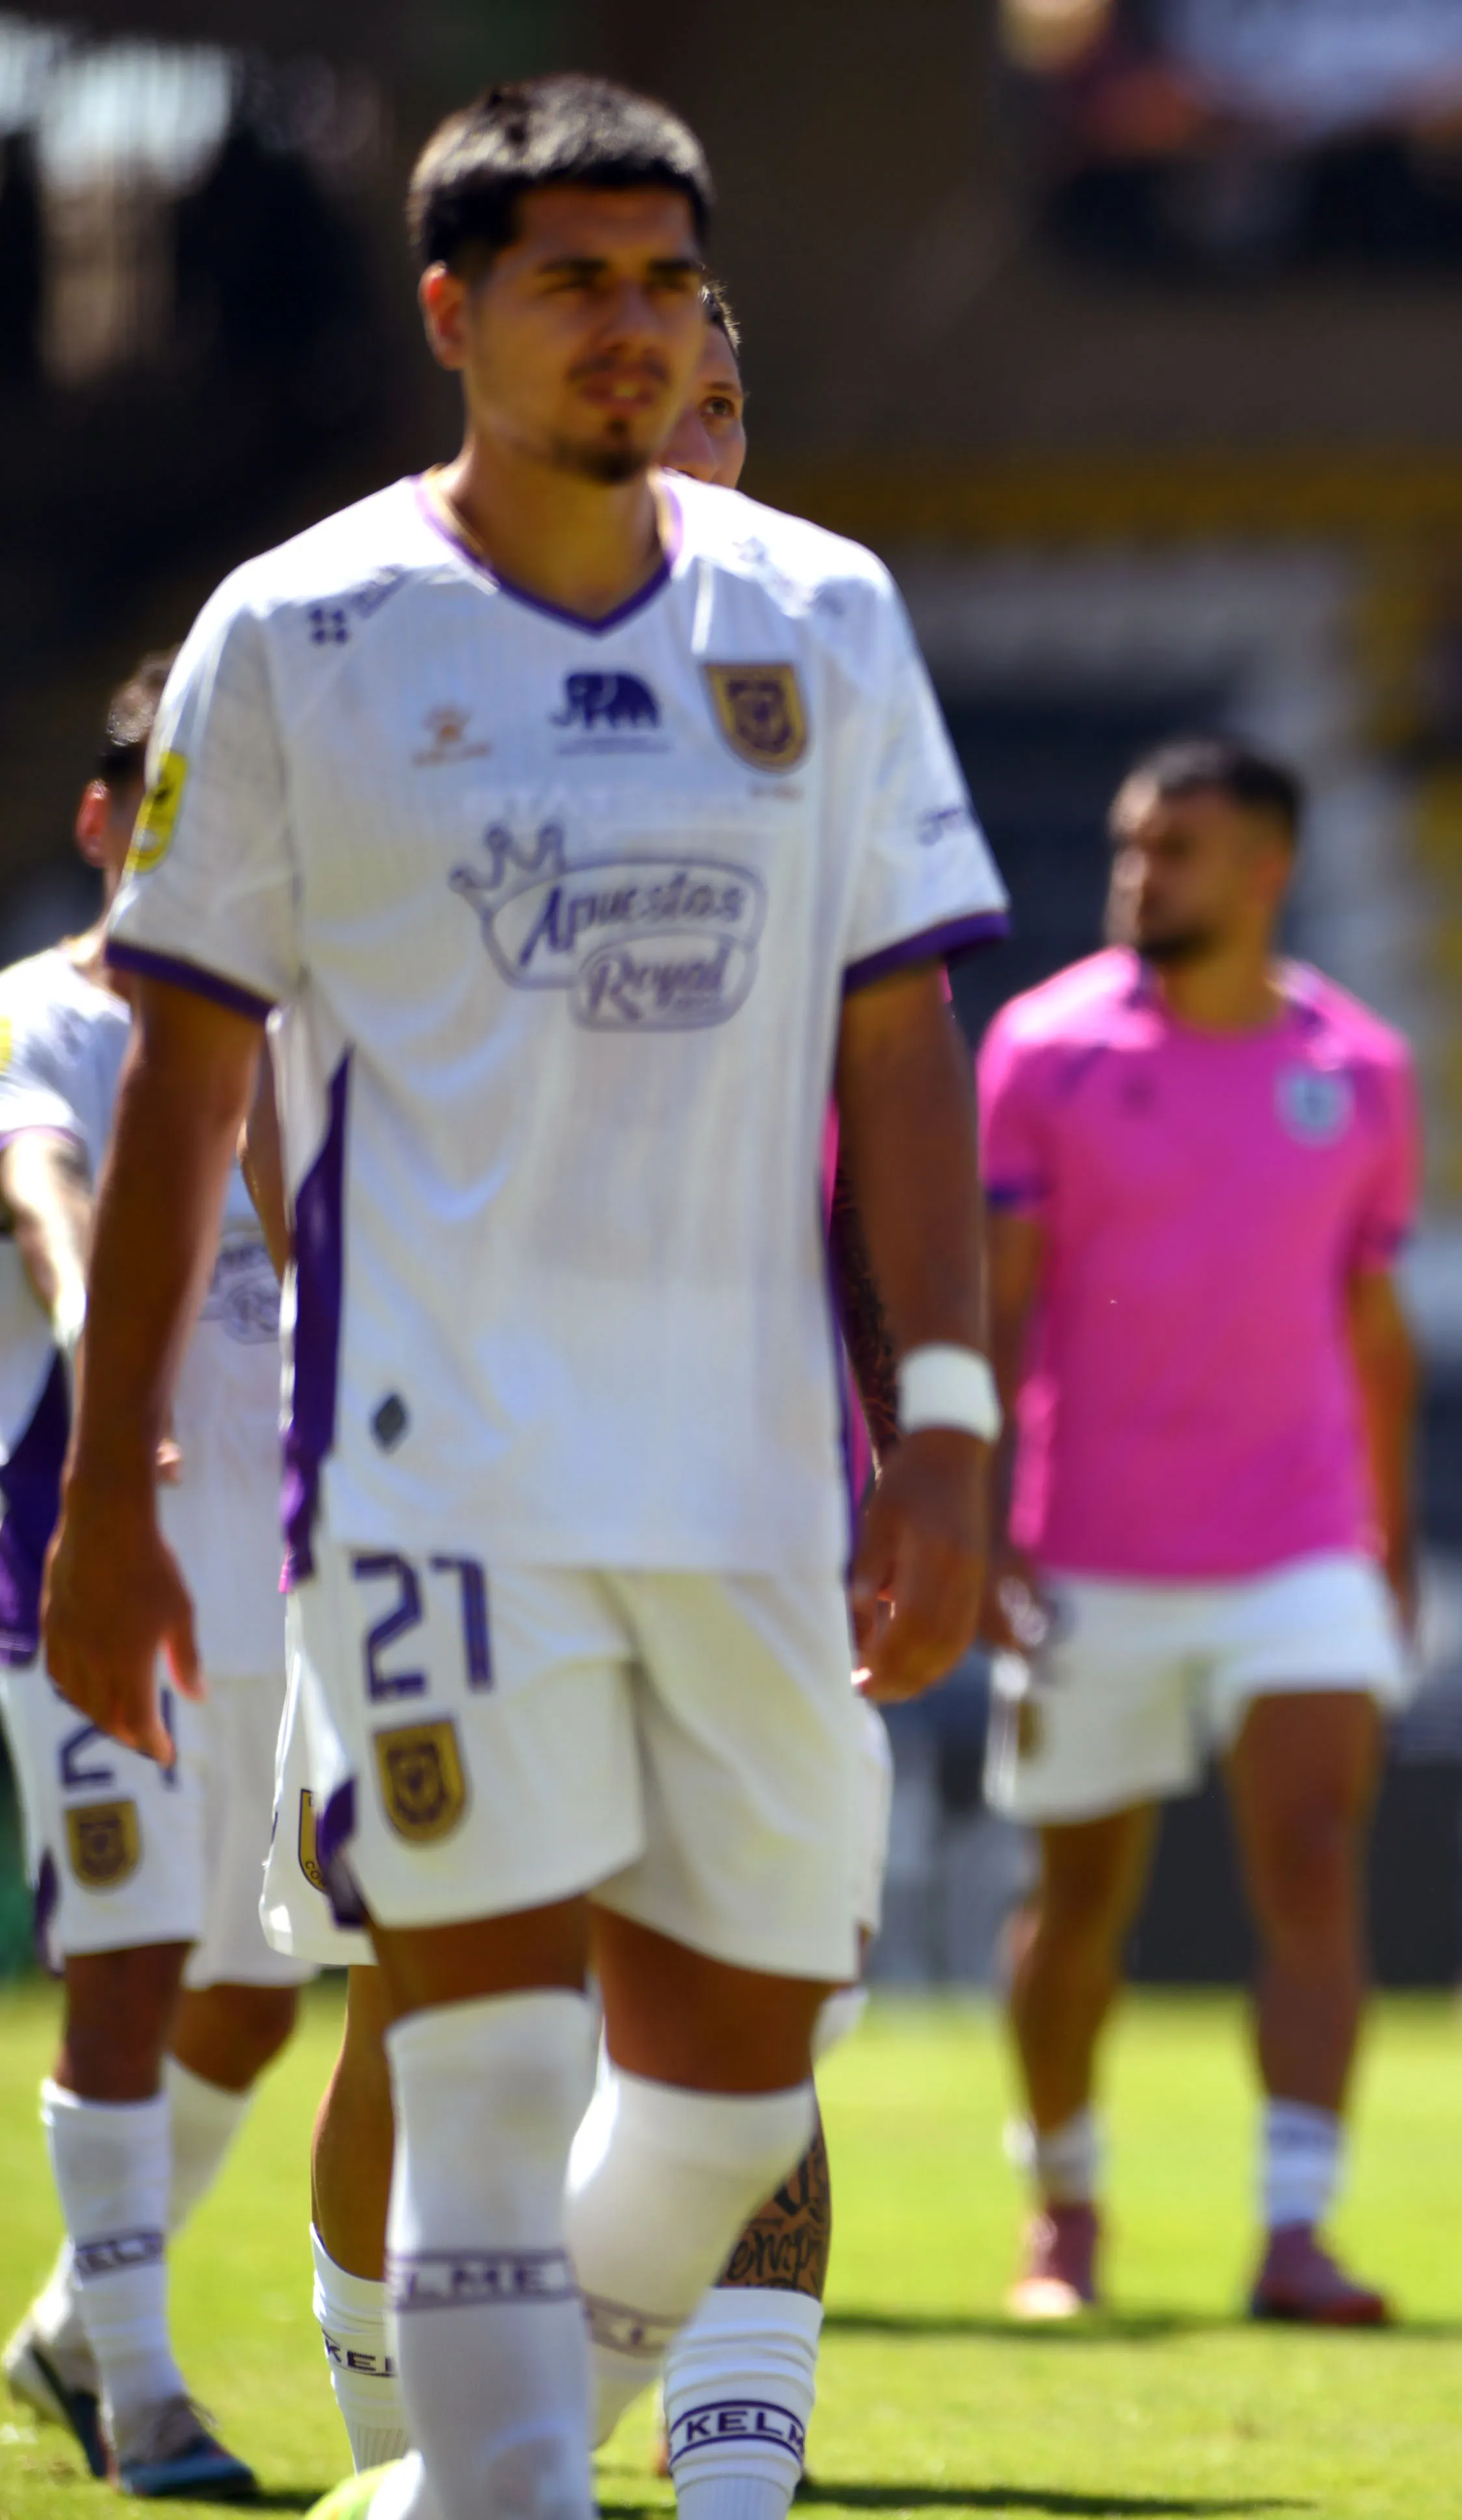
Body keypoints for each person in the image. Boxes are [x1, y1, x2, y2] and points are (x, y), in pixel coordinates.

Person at [40, 75, 1007, 2520]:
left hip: (752, 1476)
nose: (633, 330)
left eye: (667, 282)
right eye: (578, 281)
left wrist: (954, 1429)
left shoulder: (824, 613)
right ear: (459, 311)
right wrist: (114, 1489)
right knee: (477, 2054)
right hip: (430, 1466)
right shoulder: (306, 628)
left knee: (735, 2082)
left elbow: (905, 1046)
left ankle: (445, 2499)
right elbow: (178, 1089)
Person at [977, 731, 1420, 2327]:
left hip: (1303, 1542)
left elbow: (1374, 1320)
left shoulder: (1363, 1066)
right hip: (1086, 1545)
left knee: (1310, 1860)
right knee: (1078, 1894)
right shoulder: (1040, 1049)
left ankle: (1296, 2231)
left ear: (1267, 870)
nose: (1138, 870)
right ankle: (1062, 2213)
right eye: (1130, 841)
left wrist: (1395, 1532)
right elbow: (1002, 1306)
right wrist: (976, 1513)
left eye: (1175, 846)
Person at [0, 653, 295, 2500]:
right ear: (115, 824)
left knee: (256, 1991)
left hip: (281, 1567)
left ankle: (57, 2332)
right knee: (124, 1964)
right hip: (83, 1544)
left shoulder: (303, 1024)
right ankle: (144, 2400)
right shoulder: (45, 1010)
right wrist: (110, 1333)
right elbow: (41, 1187)